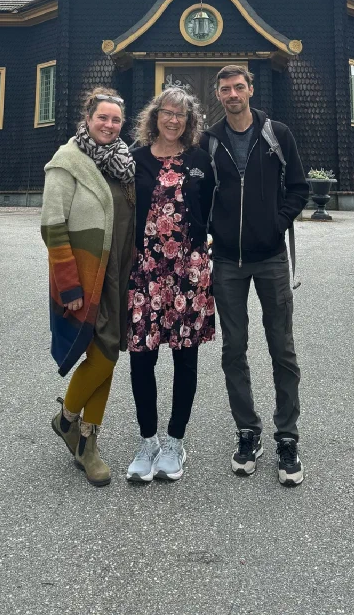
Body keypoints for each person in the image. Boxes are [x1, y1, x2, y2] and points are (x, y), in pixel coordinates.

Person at [199, 64, 309, 487]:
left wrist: (274, 225)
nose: (232, 94)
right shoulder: (210, 142)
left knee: (282, 348)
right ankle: (248, 432)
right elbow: (199, 193)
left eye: (238, 87)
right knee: (234, 349)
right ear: (219, 94)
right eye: (225, 89)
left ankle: (287, 437)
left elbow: (298, 188)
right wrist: (208, 233)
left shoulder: (277, 135)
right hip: (226, 261)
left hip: (270, 259)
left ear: (250, 90)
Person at [41, 87, 136, 487]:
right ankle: (69, 420)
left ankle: (87, 440)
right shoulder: (67, 162)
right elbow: (52, 226)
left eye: (116, 120)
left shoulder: (123, 163)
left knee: (108, 352)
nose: (109, 125)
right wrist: (68, 285)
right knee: (103, 357)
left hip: (119, 274)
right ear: (88, 118)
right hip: (87, 276)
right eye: (103, 118)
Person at [125, 86, 215, 484]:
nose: (173, 119)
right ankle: (148, 441)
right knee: (142, 355)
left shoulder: (199, 160)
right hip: (144, 270)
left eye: (181, 114)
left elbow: (215, 203)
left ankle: (176, 440)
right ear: (155, 115)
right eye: (167, 112)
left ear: (189, 120)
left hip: (188, 271)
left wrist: (210, 239)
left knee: (184, 356)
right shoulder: (135, 158)